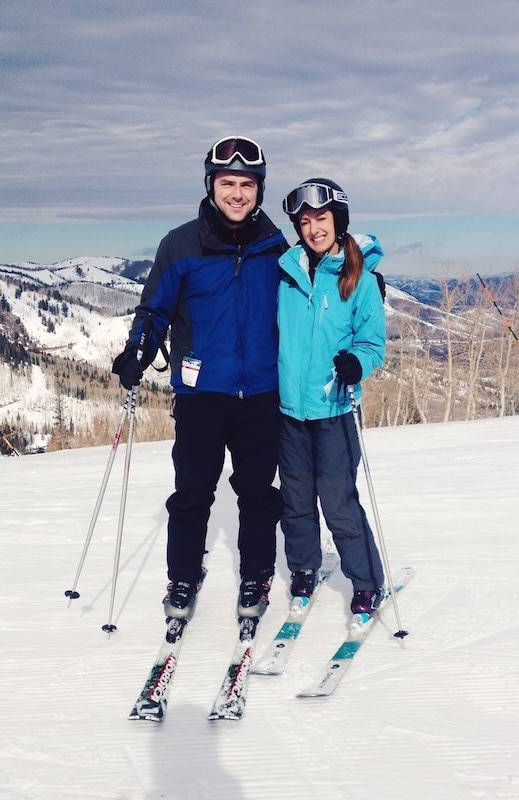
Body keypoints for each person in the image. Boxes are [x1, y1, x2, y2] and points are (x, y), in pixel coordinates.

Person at [112, 136, 288, 621]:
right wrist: (138, 350)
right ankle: (183, 577)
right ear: (211, 185)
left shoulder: (276, 246)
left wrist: (356, 278)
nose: (237, 193)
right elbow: (155, 310)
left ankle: (256, 575)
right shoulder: (181, 244)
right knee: (192, 493)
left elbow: (312, 291)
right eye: (227, 182)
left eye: (247, 184)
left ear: (259, 189)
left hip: (261, 392)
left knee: (257, 492)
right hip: (201, 395)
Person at [277, 178, 387, 615]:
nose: (313, 228)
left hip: (334, 408)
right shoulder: (286, 272)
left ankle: (365, 579)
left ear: (337, 221)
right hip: (289, 411)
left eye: (321, 218)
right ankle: (304, 568)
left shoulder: (357, 278)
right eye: (304, 222)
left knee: (338, 501)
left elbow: (372, 342)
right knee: (296, 499)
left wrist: (357, 363)